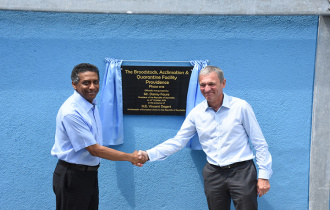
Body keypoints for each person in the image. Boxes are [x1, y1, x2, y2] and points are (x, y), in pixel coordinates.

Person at [138, 65, 272, 210]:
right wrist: (148, 154)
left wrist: (264, 175)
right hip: (214, 174)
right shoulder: (197, 113)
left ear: (223, 83)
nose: (207, 89)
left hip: (242, 172)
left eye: (211, 84)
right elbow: (178, 141)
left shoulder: (241, 107)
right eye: (203, 85)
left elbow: (259, 143)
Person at [51, 63, 146, 210]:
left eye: (95, 81)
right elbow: (94, 149)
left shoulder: (91, 104)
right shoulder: (72, 112)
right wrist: (130, 157)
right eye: (86, 82)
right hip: (72, 177)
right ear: (74, 85)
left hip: (88, 175)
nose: (92, 87)